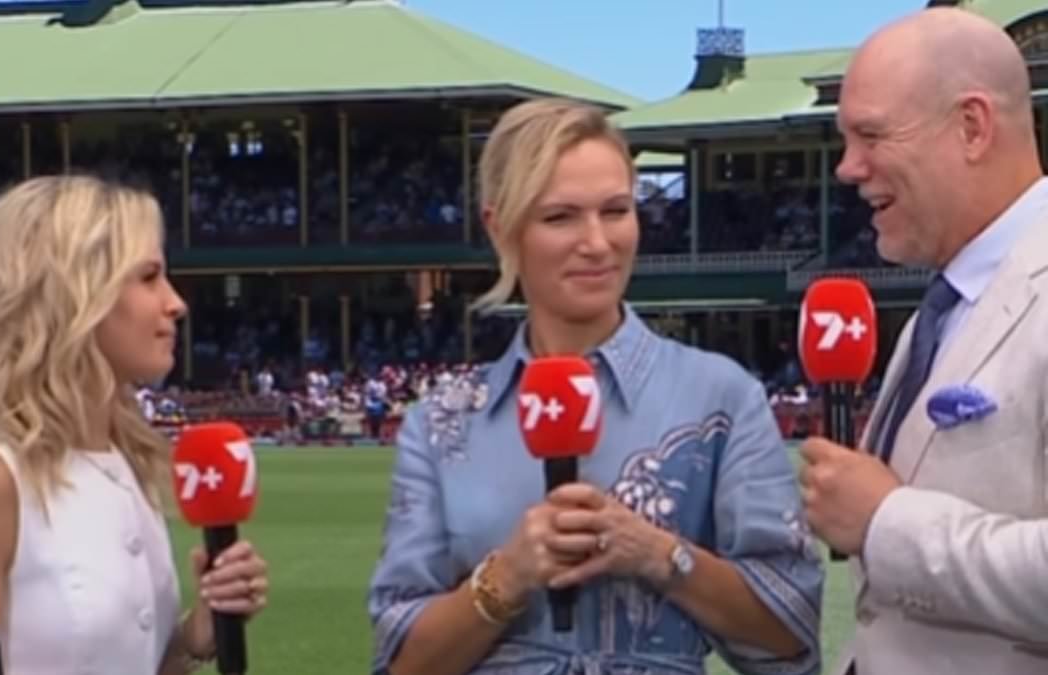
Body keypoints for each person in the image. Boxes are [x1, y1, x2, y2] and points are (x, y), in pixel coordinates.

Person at [367, 98, 824, 675]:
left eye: (616, 210)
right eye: (560, 217)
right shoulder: (439, 424)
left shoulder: (721, 396)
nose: (597, 242)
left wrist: (657, 553)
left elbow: (791, 636)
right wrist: (505, 578)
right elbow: (399, 665)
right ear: (500, 226)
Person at [0, 175, 269, 675]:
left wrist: (194, 636)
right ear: (74, 296)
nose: (175, 303)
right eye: (148, 276)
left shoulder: (124, 460)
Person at [798, 8, 1048, 675]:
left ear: (971, 127)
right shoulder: (942, 305)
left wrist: (886, 523)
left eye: (871, 135)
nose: (848, 168)